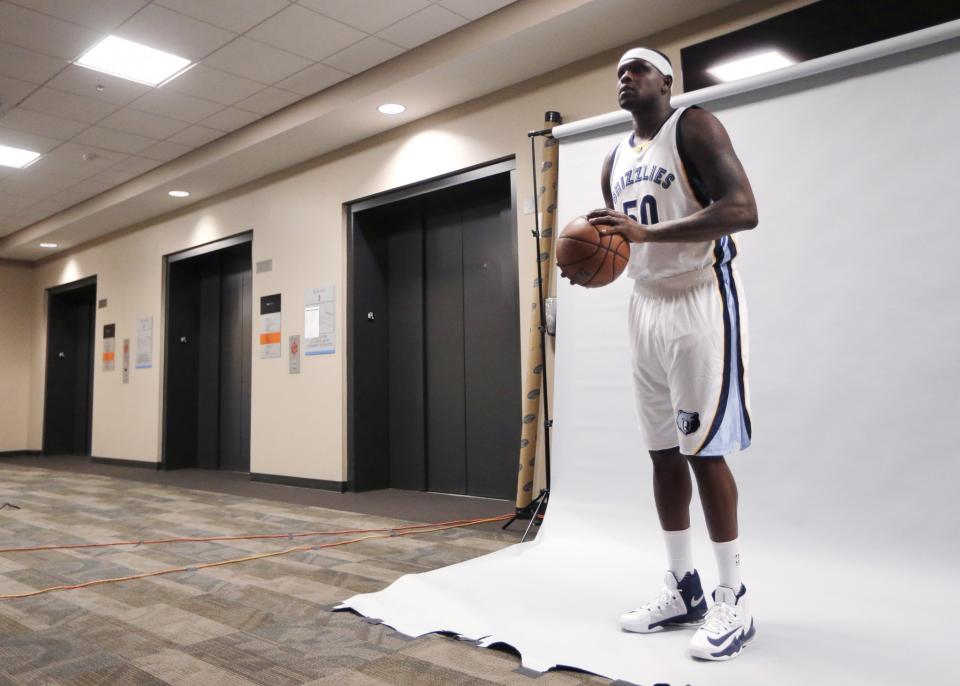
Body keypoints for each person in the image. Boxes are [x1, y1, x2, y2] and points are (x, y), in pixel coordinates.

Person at [586, 47, 758, 661]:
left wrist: (645, 235)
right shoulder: (613, 158)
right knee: (662, 453)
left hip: (698, 300)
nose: (625, 78)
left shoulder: (695, 125)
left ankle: (731, 596)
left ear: (666, 78)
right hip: (645, 304)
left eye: (637, 68)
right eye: (619, 73)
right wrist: (595, 248)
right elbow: (625, 240)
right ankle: (683, 588)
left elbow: (743, 210)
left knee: (703, 451)